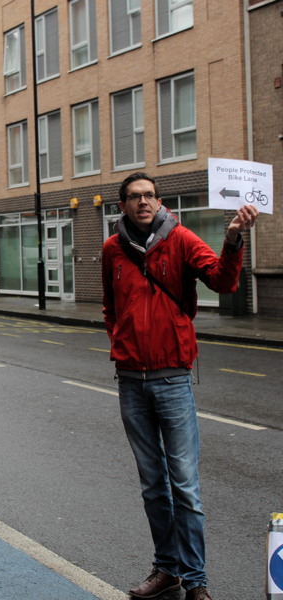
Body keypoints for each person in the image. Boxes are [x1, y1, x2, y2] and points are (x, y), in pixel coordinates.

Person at [102, 172, 259, 600]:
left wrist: (233, 239)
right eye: (134, 197)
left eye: (149, 195)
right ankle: (166, 569)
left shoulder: (183, 239)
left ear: (159, 201)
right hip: (132, 380)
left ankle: (196, 581)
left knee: (184, 485)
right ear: (123, 206)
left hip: (173, 377)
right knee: (153, 484)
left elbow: (223, 281)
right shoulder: (112, 249)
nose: (143, 202)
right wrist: (121, 340)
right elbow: (110, 305)